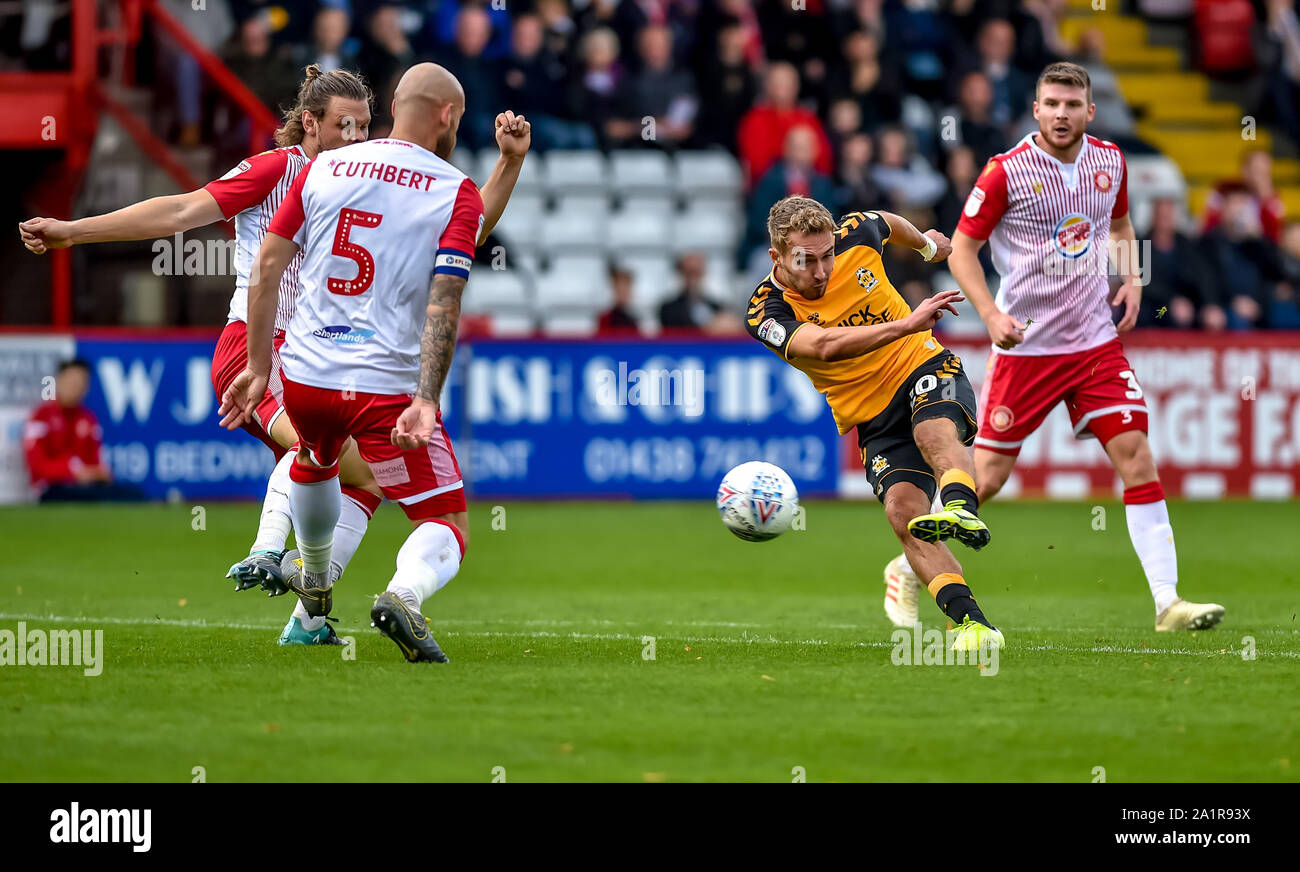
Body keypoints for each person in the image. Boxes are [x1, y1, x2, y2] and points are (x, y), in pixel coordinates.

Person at [885, 61, 1224, 633]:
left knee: (1137, 456)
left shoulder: (1109, 161)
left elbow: (1119, 229)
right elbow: (963, 251)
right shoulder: (1005, 173)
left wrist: (1133, 279)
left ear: (1089, 111)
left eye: (1073, 105)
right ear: (1036, 110)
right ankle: (907, 567)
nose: (1062, 114)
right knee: (985, 480)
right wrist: (990, 314)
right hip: (1027, 347)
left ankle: (1168, 603)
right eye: (1052, 104)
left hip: (1095, 343)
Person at [220, 63, 510, 664]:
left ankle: (314, 590)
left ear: (393, 105)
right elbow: (445, 298)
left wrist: (255, 367)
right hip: (386, 383)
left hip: (305, 372)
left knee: (317, 459)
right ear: (448, 117)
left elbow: (268, 264)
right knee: (445, 517)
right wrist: (425, 398)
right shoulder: (452, 189)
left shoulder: (324, 166)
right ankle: (403, 595)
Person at [747, 195, 1004, 653]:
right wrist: (907, 322)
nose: (822, 271)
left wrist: (926, 245)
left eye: (828, 256)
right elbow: (824, 346)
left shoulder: (855, 232)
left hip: (921, 363)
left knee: (932, 430)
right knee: (904, 516)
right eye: (807, 261)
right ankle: (971, 624)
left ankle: (961, 505)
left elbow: (886, 222)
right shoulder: (765, 311)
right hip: (871, 414)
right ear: (777, 257)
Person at [23, 360, 143, 503]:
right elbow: (37, 467)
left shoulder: (88, 419)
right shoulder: (41, 416)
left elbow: (97, 463)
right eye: (73, 381)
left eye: (82, 382)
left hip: (87, 487)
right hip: (53, 488)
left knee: (133, 493)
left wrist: (96, 474)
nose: (77, 387)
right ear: (59, 381)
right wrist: (72, 471)